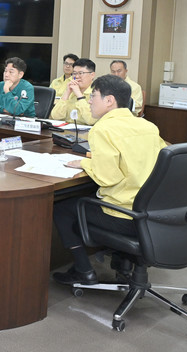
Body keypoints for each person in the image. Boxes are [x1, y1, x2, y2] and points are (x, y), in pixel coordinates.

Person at [52, 75, 166, 285]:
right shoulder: (148, 126)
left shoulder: (103, 129)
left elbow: (107, 178)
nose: (89, 101)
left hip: (124, 215)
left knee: (61, 208)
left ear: (109, 100)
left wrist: (84, 163)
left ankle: (83, 271)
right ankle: (123, 262)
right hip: (153, 213)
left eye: (93, 96)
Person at [50, 58, 98, 125]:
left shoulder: (97, 93)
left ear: (92, 75)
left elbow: (90, 120)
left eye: (81, 73)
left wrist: (79, 95)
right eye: (74, 73)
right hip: (66, 129)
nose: (77, 76)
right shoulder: (70, 91)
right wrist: (67, 93)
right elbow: (56, 116)